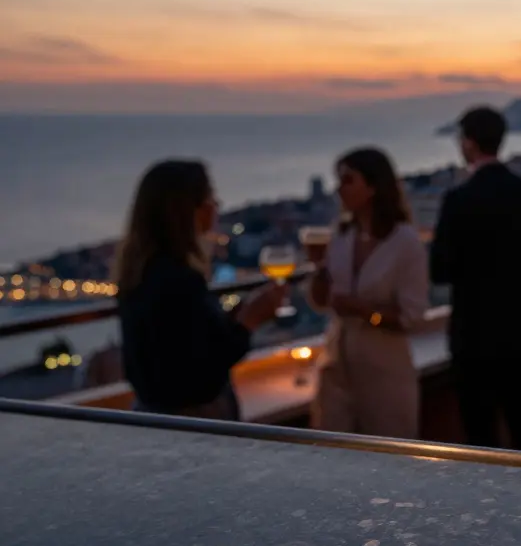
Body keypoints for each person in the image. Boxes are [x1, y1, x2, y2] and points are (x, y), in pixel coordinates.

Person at [116, 160, 286, 421]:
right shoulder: (179, 279)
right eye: (211, 198)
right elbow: (202, 371)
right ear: (192, 210)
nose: (216, 206)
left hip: (150, 410)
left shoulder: (140, 273)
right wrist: (250, 321)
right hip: (194, 417)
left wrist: (230, 318)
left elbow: (184, 341)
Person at [430, 107, 521, 451]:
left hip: (472, 331)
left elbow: (439, 271)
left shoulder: (457, 199)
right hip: (517, 325)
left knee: (479, 430)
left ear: (468, 143)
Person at [308, 147, 429, 438]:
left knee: (388, 458)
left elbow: (411, 317)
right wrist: (319, 271)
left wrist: (362, 309)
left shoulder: (405, 243)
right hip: (337, 367)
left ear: (373, 186)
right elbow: (320, 302)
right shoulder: (340, 235)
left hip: (385, 370)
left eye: (348, 180)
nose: (339, 189)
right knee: (332, 455)